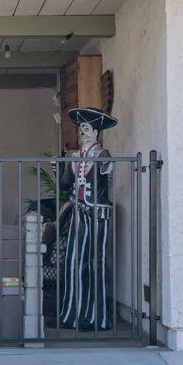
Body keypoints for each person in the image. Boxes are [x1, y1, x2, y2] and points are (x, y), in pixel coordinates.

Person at [56, 107, 116, 331]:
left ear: (97, 131)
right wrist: (59, 166)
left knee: (96, 263)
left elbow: (99, 181)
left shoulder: (102, 155)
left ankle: (97, 318)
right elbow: (64, 184)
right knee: (73, 262)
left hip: (97, 213)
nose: (84, 133)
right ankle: (71, 314)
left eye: (88, 128)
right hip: (78, 211)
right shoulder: (75, 156)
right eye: (81, 129)